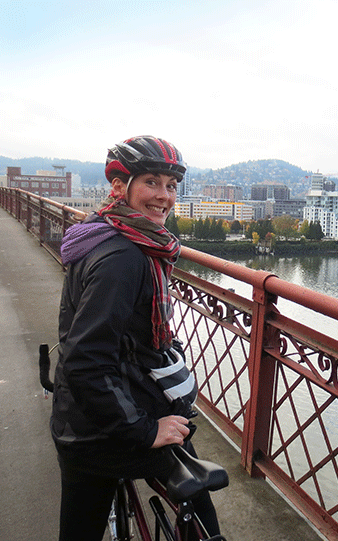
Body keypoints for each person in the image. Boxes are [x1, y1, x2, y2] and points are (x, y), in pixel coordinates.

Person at [50, 135, 220, 540]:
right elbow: (85, 358)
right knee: (202, 514)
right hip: (102, 431)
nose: (164, 196)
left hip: (82, 415)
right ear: (119, 187)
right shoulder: (124, 257)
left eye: (172, 186)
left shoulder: (101, 231)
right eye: (151, 182)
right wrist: (146, 432)